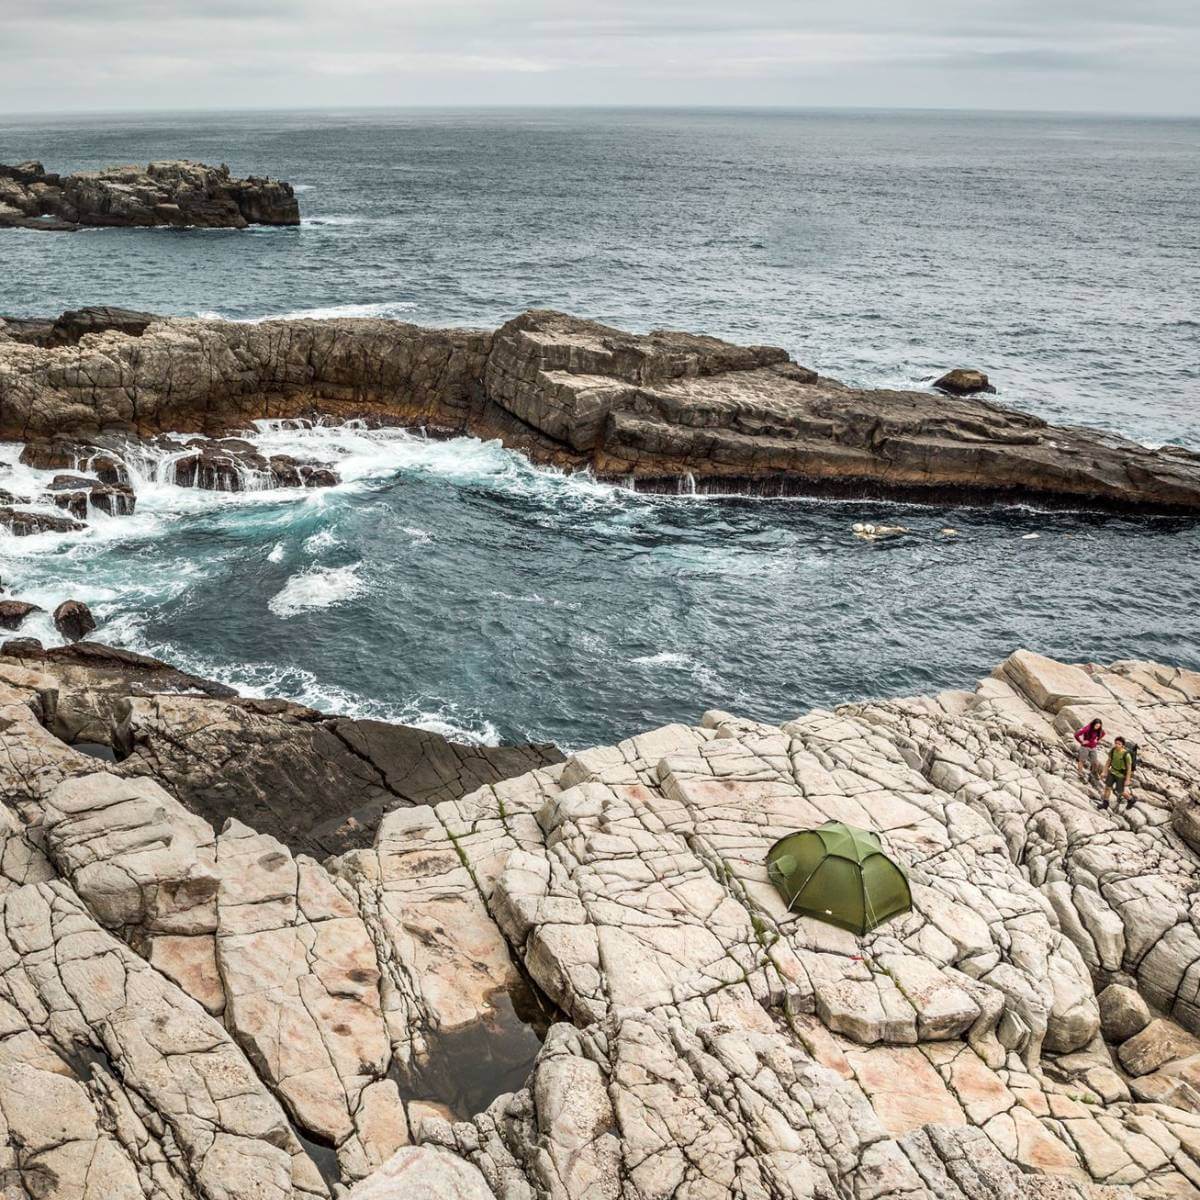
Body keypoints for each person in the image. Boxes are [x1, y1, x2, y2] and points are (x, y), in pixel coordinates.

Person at [1101, 737, 1135, 810]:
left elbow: (1129, 768)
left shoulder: (1126, 755)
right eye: (1116, 743)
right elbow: (1108, 761)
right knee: (1107, 787)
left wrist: (1127, 780)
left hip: (1121, 775)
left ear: (1122, 745)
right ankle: (1105, 803)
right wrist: (1104, 771)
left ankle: (1131, 799)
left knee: (1120, 791)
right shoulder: (1113, 750)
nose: (1117, 745)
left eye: (1119, 744)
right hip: (1112, 772)